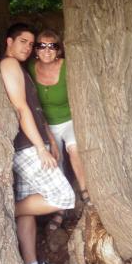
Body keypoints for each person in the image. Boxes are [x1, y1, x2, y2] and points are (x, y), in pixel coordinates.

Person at [0, 23, 75, 264]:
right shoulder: (9, 64)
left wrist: (50, 139)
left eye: (31, 44)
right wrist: (41, 148)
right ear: (9, 42)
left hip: (35, 143)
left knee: (29, 209)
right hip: (27, 147)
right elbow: (21, 109)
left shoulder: (20, 68)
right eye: (23, 41)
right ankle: (5, 210)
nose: (28, 47)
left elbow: (35, 109)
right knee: (64, 197)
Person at [28, 28, 91, 229]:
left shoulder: (66, 66)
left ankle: (85, 192)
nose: (47, 50)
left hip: (69, 120)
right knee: (56, 161)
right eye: (42, 46)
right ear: (36, 50)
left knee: (74, 149)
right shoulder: (30, 68)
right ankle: (61, 209)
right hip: (46, 125)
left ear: (58, 50)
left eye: (52, 46)